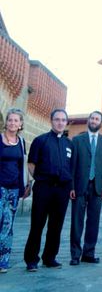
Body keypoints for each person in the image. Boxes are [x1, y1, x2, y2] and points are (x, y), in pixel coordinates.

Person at [24, 109, 73, 271]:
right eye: (57, 119)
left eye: (63, 120)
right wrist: (40, 179)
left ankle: (49, 257)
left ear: (66, 122)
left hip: (62, 191)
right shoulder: (40, 140)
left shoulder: (69, 144)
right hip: (44, 188)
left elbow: (71, 168)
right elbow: (31, 164)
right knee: (37, 224)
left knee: (56, 225)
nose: (60, 122)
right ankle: (31, 260)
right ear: (51, 121)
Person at [69, 111, 102, 266]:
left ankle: (89, 253)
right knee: (77, 221)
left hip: (98, 187)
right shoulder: (77, 140)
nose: (94, 121)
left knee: (93, 222)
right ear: (88, 121)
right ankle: (75, 255)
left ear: (101, 123)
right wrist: (71, 186)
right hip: (80, 186)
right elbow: (72, 165)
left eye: (97, 119)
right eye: (92, 118)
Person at [0, 108, 30, 273]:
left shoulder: (21, 142)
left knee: (8, 225)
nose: (12, 123)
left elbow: (22, 166)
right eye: (10, 120)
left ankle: (3, 261)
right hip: (0, 187)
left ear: (20, 124)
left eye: (16, 120)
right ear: (6, 122)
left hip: (13, 190)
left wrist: (23, 187)